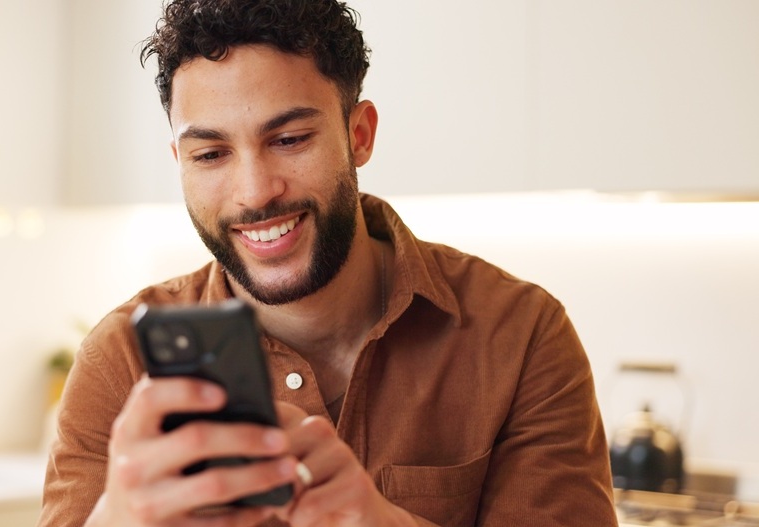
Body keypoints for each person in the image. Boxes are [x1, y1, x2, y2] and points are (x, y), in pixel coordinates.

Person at [39, 1, 618, 526]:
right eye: (211, 154)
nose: (254, 192)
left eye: (289, 139)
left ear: (359, 134)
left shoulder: (520, 336)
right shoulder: (119, 362)